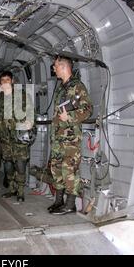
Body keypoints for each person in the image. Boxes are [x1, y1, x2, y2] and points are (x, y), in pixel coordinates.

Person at [48, 56, 93, 215]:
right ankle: (59, 201)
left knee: (69, 171)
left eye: (55, 66)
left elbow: (88, 110)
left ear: (63, 67)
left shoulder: (77, 86)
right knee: (57, 170)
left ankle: (70, 204)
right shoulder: (61, 87)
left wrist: (70, 117)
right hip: (58, 139)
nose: (54, 69)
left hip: (71, 140)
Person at [0, 71, 34, 202]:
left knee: (20, 164)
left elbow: (31, 111)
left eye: (7, 80)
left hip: (18, 136)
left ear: (12, 81)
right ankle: (12, 189)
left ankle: (20, 191)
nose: (5, 82)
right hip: (3, 138)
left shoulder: (22, 96)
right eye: (2, 80)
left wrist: (30, 123)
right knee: (8, 164)